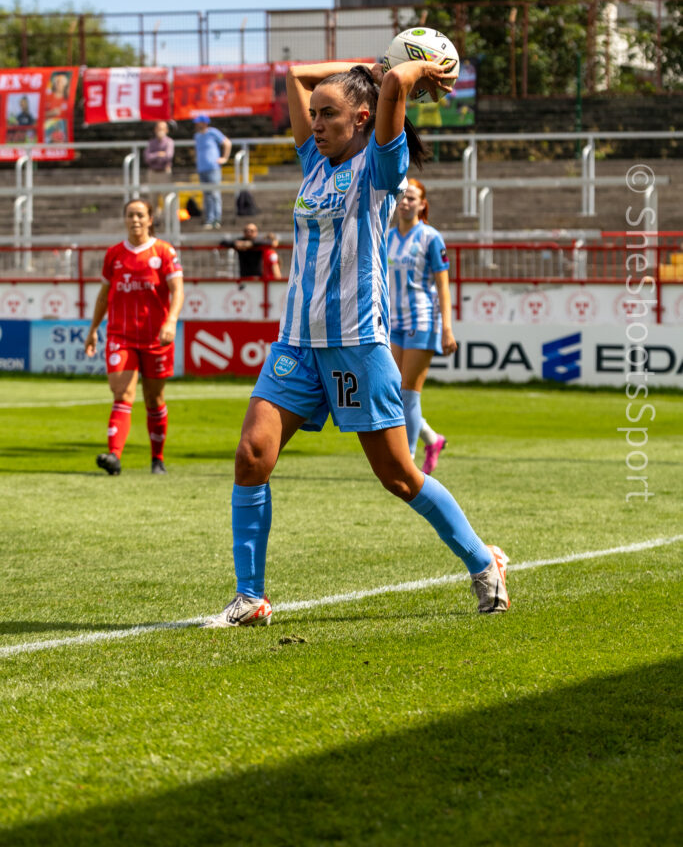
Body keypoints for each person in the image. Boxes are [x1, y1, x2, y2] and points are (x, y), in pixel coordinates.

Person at [204, 58, 509, 630]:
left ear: (363, 118)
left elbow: (395, 86)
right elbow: (295, 73)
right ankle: (251, 598)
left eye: (329, 114)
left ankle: (481, 559)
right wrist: (364, 65)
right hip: (296, 341)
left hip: (356, 344)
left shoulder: (380, 166)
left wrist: (415, 67)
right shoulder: (312, 162)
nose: (315, 123)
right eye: (313, 115)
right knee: (251, 457)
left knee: (398, 476)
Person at [84, 199, 184, 476]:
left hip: (156, 337)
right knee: (122, 392)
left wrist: (171, 321)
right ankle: (114, 456)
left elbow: (178, 290)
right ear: (125, 219)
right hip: (121, 336)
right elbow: (104, 296)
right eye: (130, 215)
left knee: (154, 400)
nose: (135, 220)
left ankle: (157, 459)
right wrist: (93, 329)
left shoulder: (164, 252)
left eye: (140, 215)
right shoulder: (114, 254)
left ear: (150, 219)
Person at [388, 178, 456, 475]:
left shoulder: (430, 238)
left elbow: (443, 286)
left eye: (412, 198)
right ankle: (432, 439)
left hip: (423, 321)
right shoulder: (386, 237)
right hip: (391, 321)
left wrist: (447, 328)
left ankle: (408, 460)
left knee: (408, 393)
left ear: (422, 204)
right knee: (391, 390)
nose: (405, 202)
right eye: (402, 197)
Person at [193, 114, 231, 230]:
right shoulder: (197, 136)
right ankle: (209, 219)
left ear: (204, 123)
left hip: (213, 168)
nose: (196, 124)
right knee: (207, 195)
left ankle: (216, 219)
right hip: (202, 169)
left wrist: (224, 158)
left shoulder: (213, 132)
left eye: (198, 122)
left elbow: (227, 143)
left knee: (215, 194)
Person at [144, 121, 175, 220]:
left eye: (162, 128)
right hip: (153, 172)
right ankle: (154, 220)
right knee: (152, 198)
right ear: (155, 130)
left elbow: (168, 156)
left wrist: (155, 156)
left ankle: (168, 220)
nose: (160, 131)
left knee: (167, 197)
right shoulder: (151, 143)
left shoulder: (169, 142)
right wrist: (158, 154)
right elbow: (147, 158)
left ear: (166, 130)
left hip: (164, 172)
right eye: (158, 128)